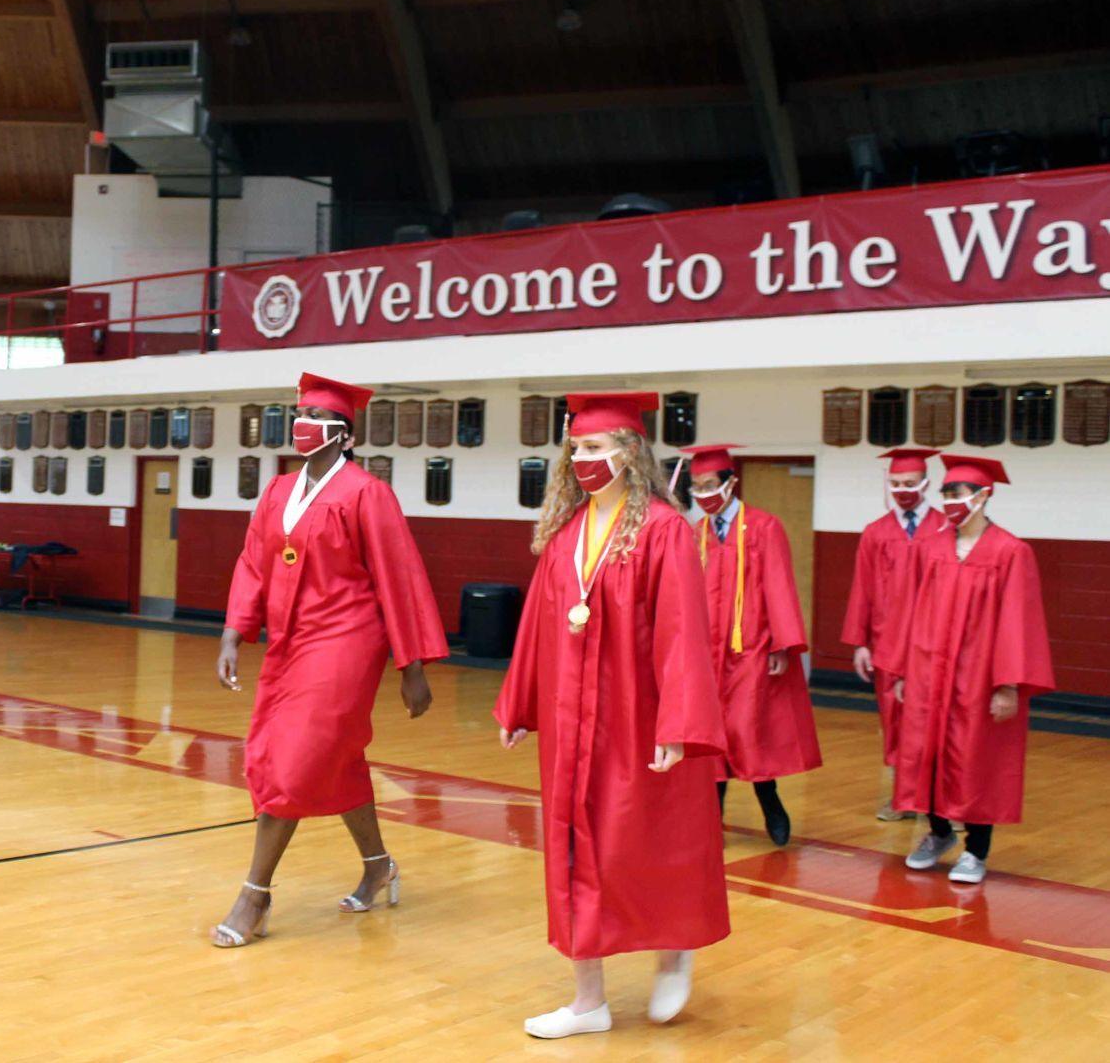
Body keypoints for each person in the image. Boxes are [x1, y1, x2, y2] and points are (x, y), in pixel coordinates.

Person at [495, 392, 728, 1039]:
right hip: (571, 724)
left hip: (638, 717)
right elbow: (537, 628)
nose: (582, 459)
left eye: (594, 448)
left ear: (629, 453)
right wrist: (518, 703)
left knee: (650, 839)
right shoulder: (566, 534)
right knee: (573, 850)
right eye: (575, 448)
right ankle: (587, 1000)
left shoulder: (661, 529)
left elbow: (683, 633)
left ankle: (674, 953)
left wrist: (678, 725)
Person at [211, 373, 446, 949]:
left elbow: (400, 576)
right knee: (335, 761)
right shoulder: (278, 491)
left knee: (292, 762)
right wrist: (233, 631)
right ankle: (379, 865)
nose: (303, 424)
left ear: (343, 435)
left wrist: (411, 666)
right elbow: (253, 563)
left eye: (317, 416)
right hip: (291, 640)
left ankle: (255, 895)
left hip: (347, 640)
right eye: (299, 413)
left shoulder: (366, 493)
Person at [880, 455, 1054, 886]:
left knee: (976, 758)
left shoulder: (1011, 552)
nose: (950, 501)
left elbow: (1019, 620)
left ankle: (976, 850)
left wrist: (1007, 684)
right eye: (946, 494)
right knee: (926, 754)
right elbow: (909, 612)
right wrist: (902, 671)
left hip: (979, 676)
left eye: (957, 494)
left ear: (982, 495)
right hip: (927, 671)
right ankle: (938, 835)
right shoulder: (931, 548)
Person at [683, 443, 818, 848]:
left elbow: (779, 585)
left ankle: (771, 803)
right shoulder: (697, 533)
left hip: (751, 648)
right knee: (709, 736)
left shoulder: (763, 527)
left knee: (749, 730)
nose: (704, 494)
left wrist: (781, 645)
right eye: (696, 487)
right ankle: (711, 817)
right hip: (708, 652)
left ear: (730, 483)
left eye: (710, 485)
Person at [841, 447, 945, 820]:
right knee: (894, 722)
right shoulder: (876, 533)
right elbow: (862, 590)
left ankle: (936, 798)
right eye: (896, 483)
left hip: (933, 646)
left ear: (926, 484)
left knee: (934, 722)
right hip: (887, 644)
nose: (903, 489)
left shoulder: (944, 529)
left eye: (910, 483)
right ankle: (902, 797)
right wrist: (860, 643)